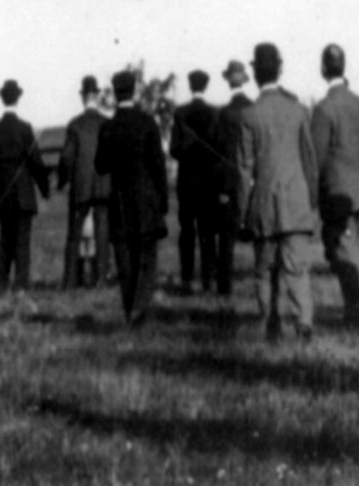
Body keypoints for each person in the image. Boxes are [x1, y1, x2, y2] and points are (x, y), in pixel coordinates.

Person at [236, 42, 318, 342]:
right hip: (296, 202)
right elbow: (309, 161)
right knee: (298, 268)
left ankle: (271, 322)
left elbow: (244, 170)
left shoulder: (249, 115)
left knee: (264, 269)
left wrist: (242, 213)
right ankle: (304, 322)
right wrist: (311, 202)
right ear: (279, 70)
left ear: (255, 73)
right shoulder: (299, 111)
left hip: (264, 204)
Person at [94, 68, 169, 326]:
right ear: (135, 91)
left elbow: (100, 166)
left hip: (119, 201)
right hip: (146, 201)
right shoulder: (147, 123)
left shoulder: (108, 127)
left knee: (124, 260)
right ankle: (140, 308)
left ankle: (130, 312)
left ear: (115, 94)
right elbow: (158, 166)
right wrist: (163, 202)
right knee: (146, 259)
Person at [310, 43, 359, 329]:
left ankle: (358, 316)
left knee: (345, 256)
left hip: (338, 194)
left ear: (323, 69)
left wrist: (315, 196)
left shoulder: (323, 109)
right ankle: (356, 313)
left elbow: (316, 158)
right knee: (352, 253)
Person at [0, 79, 50, 295]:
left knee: (5, 241)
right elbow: (36, 162)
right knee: (22, 242)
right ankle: (21, 287)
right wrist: (45, 189)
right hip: (24, 196)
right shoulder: (25, 129)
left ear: (2, 99)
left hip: (5, 197)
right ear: (18, 99)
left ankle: (0, 286)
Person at [58, 75, 112, 289]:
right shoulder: (106, 123)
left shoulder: (75, 125)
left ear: (82, 97)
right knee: (102, 232)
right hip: (103, 185)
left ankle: (71, 280)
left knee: (75, 233)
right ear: (96, 96)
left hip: (80, 185)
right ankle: (101, 279)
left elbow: (67, 158)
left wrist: (62, 181)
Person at [170, 69, 220, 294]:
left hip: (187, 182)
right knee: (208, 232)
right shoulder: (214, 113)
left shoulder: (180, 113)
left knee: (187, 231)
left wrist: (187, 154)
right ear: (206, 86)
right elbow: (218, 149)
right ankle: (208, 279)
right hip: (208, 182)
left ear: (190, 86)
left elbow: (174, 149)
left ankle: (187, 278)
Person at [211, 59, 254, 297]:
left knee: (226, 238)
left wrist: (222, 186)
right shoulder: (254, 109)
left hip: (229, 181)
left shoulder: (224, 113)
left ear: (228, 81)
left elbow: (217, 150)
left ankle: (224, 287)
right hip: (253, 179)